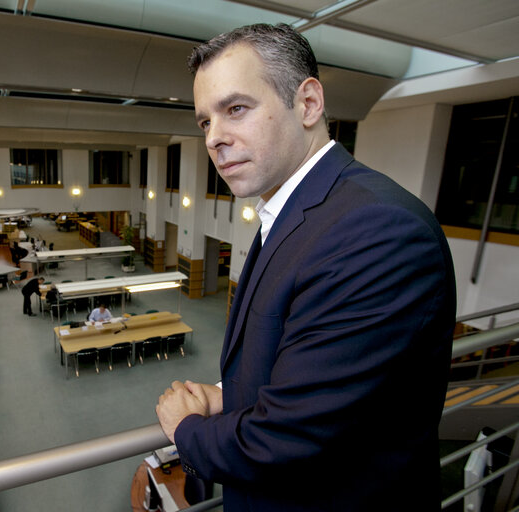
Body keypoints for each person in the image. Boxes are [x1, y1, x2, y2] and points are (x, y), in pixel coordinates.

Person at [155, 24, 456, 512]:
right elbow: (310, 370)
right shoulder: (299, 212)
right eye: (204, 122)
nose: (215, 138)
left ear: (309, 104)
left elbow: (284, 444)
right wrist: (231, 394)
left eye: (235, 109)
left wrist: (186, 428)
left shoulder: (375, 230)